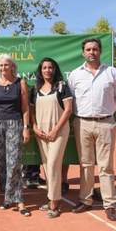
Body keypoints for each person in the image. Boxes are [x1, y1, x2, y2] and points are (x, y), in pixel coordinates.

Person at [68, 38, 116, 221]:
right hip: (82, 123)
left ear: (100, 51)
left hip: (106, 123)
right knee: (85, 164)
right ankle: (86, 199)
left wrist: (107, 112)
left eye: (95, 49)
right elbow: (71, 99)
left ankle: (110, 204)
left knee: (106, 166)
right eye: (88, 49)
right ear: (83, 52)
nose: (91, 52)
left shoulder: (112, 73)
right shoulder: (75, 75)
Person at [29, 57, 72, 218]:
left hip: (58, 132)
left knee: (53, 165)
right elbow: (32, 111)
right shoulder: (35, 88)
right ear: (40, 70)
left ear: (55, 69)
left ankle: (54, 203)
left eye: (50, 67)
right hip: (42, 133)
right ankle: (52, 198)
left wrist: (55, 129)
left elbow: (68, 110)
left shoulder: (62, 86)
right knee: (47, 167)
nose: (47, 70)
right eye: (44, 68)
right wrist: (34, 127)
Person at [0, 54, 31, 217]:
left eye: (6, 65)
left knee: (14, 162)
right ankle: (7, 198)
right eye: (0, 65)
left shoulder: (20, 83)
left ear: (12, 66)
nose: (3, 68)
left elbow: (25, 107)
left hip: (15, 123)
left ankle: (19, 200)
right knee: (1, 162)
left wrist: (26, 127)